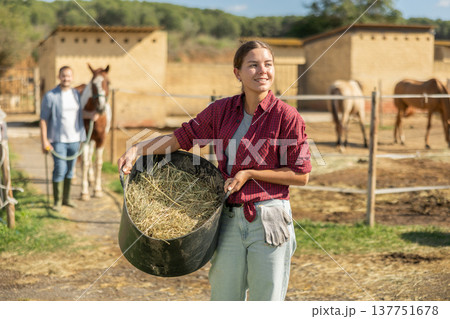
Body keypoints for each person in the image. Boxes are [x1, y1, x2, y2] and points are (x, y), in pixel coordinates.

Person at [117, 41, 312, 301]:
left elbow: (301, 174)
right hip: (228, 219)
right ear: (237, 73)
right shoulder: (222, 111)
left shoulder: (287, 117)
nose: (262, 71)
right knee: (224, 299)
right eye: (253, 65)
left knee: (267, 301)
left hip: (270, 218)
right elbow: (180, 138)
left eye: (268, 64)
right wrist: (138, 148)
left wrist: (251, 173)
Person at [40, 66, 97, 211]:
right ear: (59, 77)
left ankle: (66, 199)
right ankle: (57, 201)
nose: (66, 78)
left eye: (69, 76)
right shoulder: (51, 96)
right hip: (58, 140)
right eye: (64, 76)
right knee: (60, 168)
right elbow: (43, 119)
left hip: (75, 139)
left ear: (72, 77)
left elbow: (79, 114)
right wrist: (44, 140)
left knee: (71, 170)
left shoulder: (76, 94)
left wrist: (90, 115)